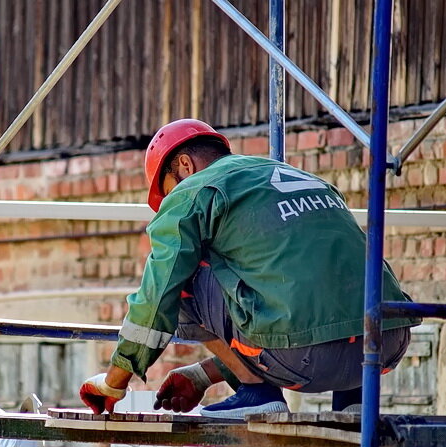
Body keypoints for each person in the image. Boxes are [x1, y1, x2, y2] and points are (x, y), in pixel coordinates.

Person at [78, 118, 419, 419]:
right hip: (384, 345)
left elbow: (157, 296)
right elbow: (302, 300)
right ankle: (352, 403)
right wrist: (202, 375)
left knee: (179, 275)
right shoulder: (302, 177)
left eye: (167, 191)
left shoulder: (193, 191)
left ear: (183, 164)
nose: (169, 200)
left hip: (303, 358)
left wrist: (114, 382)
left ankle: (258, 394)